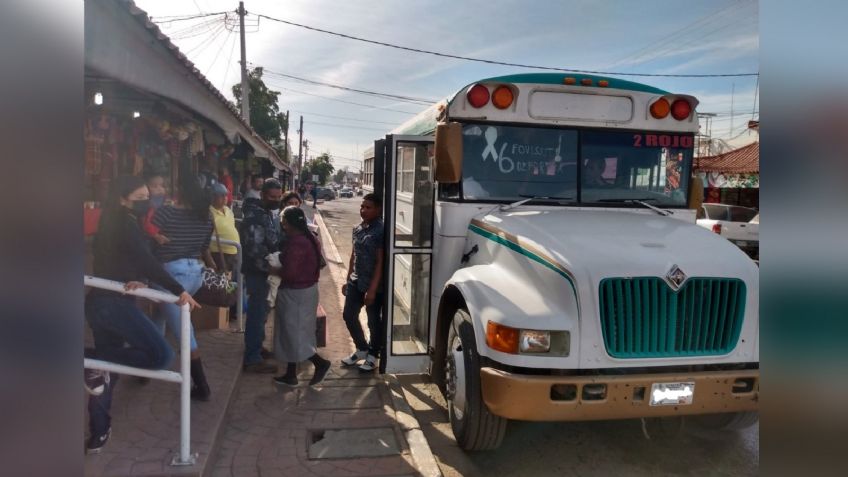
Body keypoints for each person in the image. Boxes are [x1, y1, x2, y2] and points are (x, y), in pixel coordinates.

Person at [84, 175, 200, 454]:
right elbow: (142, 257)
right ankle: (88, 360)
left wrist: (136, 278)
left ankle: (99, 430)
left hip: (104, 302)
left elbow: (119, 259)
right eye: (141, 198)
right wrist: (177, 289)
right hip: (113, 305)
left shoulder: (116, 220)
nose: (149, 200)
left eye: (149, 196)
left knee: (106, 371)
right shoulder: (124, 222)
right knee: (161, 356)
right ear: (123, 198)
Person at [151, 172, 217, 401]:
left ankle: (202, 386)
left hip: (170, 276)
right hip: (194, 274)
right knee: (162, 314)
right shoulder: (206, 216)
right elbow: (205, 246)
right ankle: (151, 362)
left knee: (183, 332)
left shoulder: (166, 212)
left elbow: (148, 237)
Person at [272, 206, 331, 386]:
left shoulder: (297, 242)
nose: (282, 226)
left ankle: (320, 363)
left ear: (288, 224)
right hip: (307, 291)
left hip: (295, 293)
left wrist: (272, 269)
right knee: (296, 333)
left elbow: (290, 273)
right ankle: (291, 374)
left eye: (283, 222)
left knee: (294, 334)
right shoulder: (310, 238)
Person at [239, 178, 284, 373]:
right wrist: (270, 268)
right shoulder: (256, 216)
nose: (276, 200)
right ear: (263, 195)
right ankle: (252, 358)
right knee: (257, 313)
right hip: (258, 271)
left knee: (261, 313)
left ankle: (257, 348)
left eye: (278, 197)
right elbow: (255, 248)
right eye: (272, 197)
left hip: (262, 270)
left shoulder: (263, 212)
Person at [340, 193, 385, 372]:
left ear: (378, 209)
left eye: (368, 207)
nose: (363, 210)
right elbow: (354, 255)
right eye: (362, 206)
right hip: (355, 280)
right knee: (348, 315)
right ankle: (362, 349)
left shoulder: (380, 230)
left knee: (373, 321)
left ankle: (374, 354)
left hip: (373, 283)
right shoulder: (358, 228)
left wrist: (372, 289)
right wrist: (347, 277)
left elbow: (381, 262)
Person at [208, 183, 239, 273]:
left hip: (234, 252)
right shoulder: (208, 213)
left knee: (230, 282)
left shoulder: (228, 210)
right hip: (218, 253)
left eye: (225, 195)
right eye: (221, 195)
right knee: (221, 280)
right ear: (213, 197)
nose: (225, 197)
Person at [141, 173, 171, 247]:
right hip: (151, 237)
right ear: (146, 188)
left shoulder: (167, 200)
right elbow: (146, 223)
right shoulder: (147, 204)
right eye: (154, 186)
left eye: (162, 186)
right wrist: (156, 236)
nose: (159, 188)